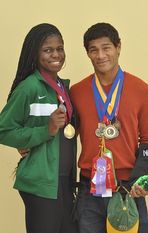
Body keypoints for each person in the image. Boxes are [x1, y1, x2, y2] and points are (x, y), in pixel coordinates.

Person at [70, 22, 148, 233]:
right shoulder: (77, 91)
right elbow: (67, 135)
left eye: (106, 47)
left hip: (128, 187)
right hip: (89, 189)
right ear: (88, 54)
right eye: (94, 50)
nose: (101, 55)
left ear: (118, 47)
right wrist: (29, 144)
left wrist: (142, 180)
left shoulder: (142, 91)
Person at [0, 23, 77, 233]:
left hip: (64, 182)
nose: (56, 54)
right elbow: (4, 130)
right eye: (48, 49)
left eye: (60, 48)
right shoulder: (29, 87)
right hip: (41, 184)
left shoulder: (63, 87)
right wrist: (46, 130)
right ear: (35, 53)